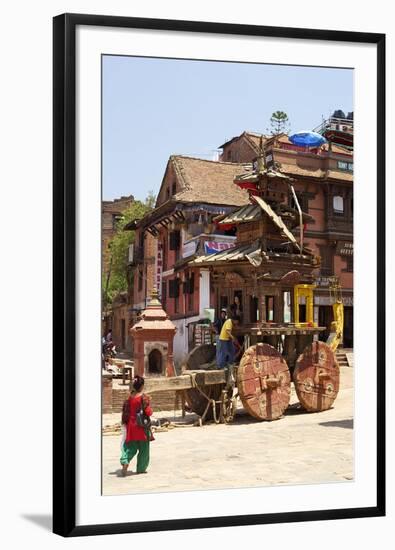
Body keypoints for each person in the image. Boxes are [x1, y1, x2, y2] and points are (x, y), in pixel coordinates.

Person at [120, 375, 154, 476]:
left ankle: (125, 460)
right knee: (144, 449)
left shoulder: (129, 397)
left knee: (131, 446)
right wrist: (150, 410)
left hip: (131, 426)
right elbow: (148, 412)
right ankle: (141, 468)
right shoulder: (144, 398)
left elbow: (126, 412)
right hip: (142, 427)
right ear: (142, 386)